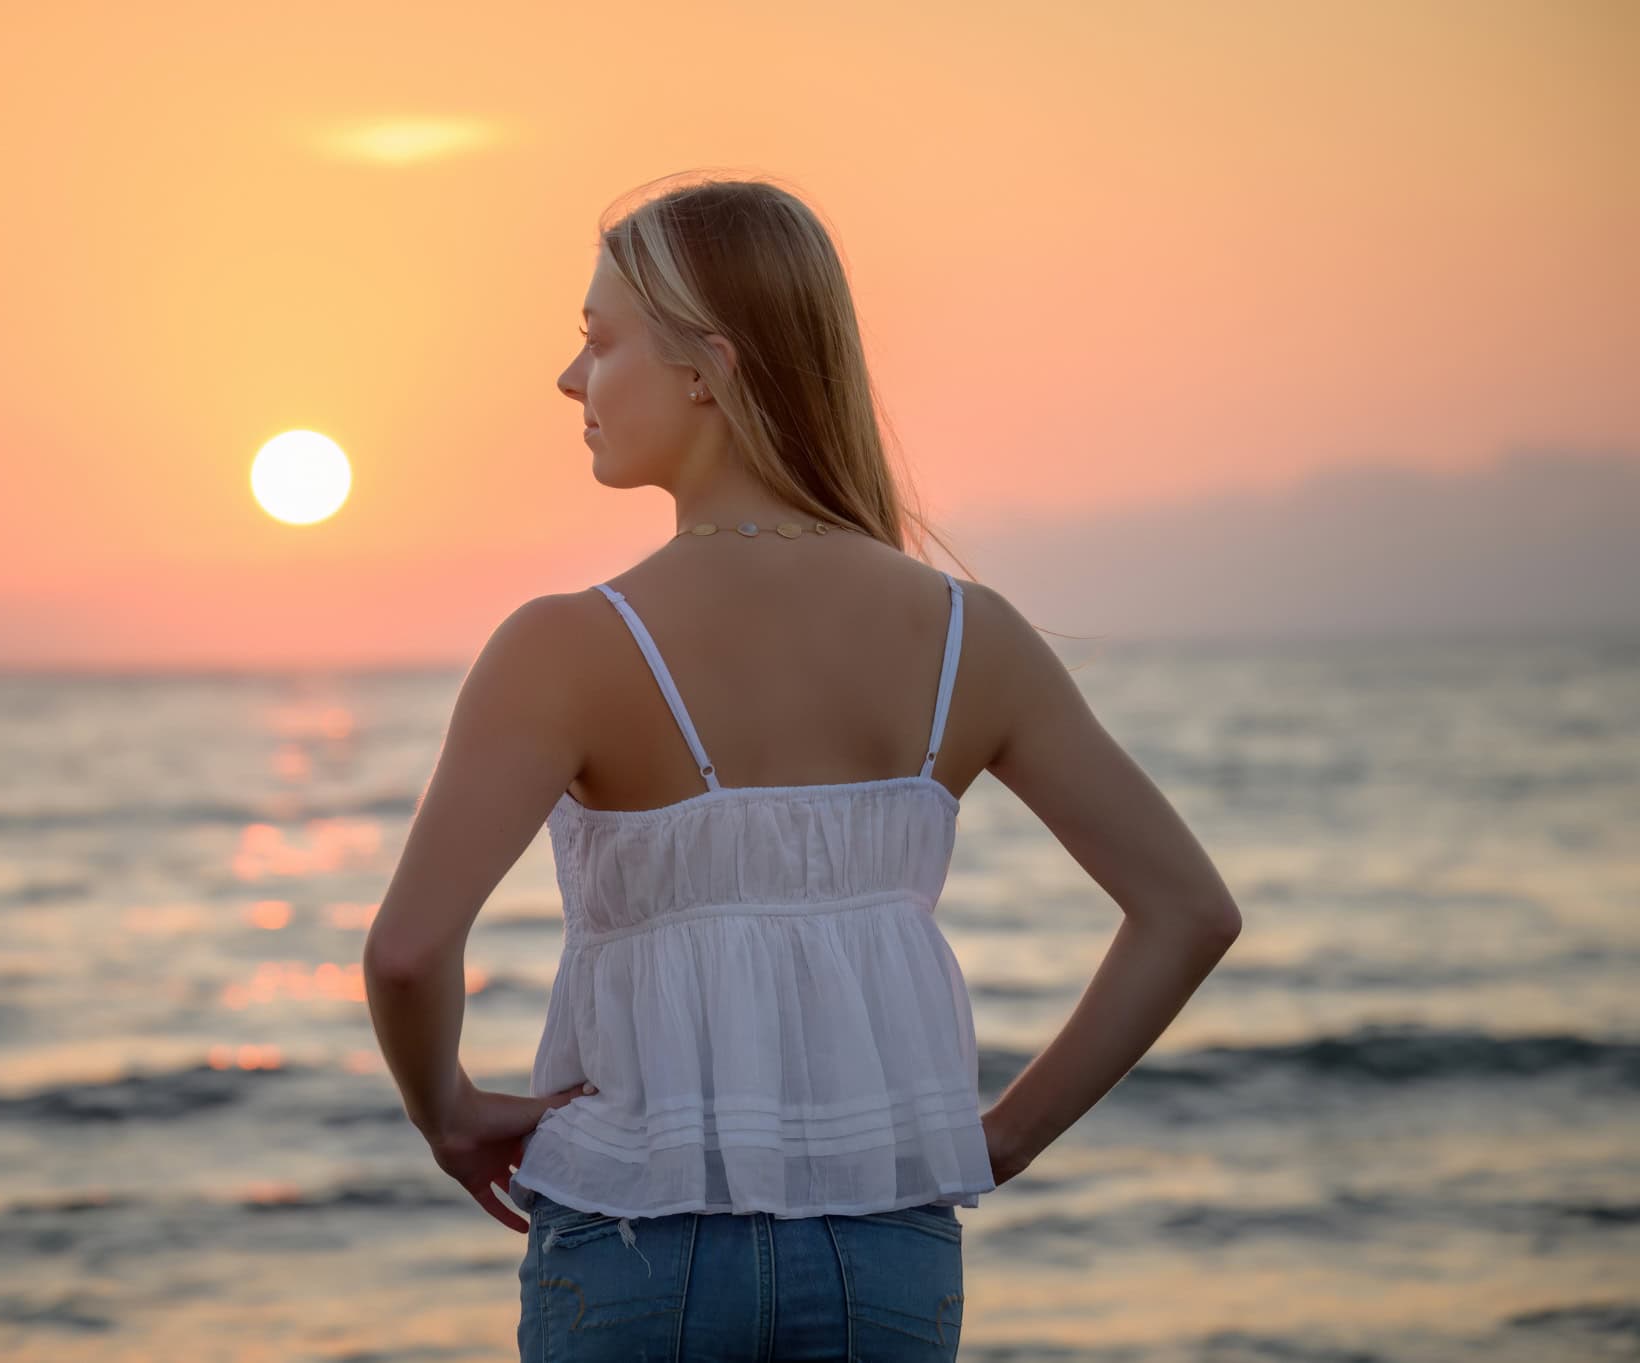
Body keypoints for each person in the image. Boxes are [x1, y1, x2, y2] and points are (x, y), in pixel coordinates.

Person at [362, 173, 1244, 1361]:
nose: (570, 380)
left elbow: (408, 952)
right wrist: (997, 1140)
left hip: (637, 1244)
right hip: (889, 1245)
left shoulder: (565, 647)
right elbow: (1186, 911)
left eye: (596, 340)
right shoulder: (966, 636)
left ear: (704, 368)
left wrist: (449, 1112)